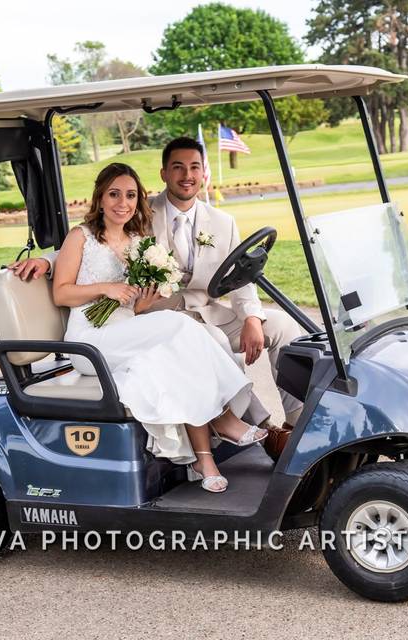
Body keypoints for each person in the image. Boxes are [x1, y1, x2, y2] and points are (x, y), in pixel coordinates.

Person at [12, 137, 306, 445]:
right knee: (211, 341)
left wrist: (251, 318)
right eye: (178, 167)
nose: (187, 175)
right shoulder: (140, 212)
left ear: (204, 172)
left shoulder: (222, 222)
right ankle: (263, 428)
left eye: (194, 167)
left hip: (208, 310)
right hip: (158, 312)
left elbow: (241, 274)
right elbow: (95, 244)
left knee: (283, 325)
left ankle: (299, 423)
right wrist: (47, 260)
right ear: (164, 173)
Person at [46, 162, 267, 493]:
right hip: (89, 340)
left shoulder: (137, 241)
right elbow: (61, 292)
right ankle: (224, 419)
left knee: (176, 358)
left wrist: (141, 305)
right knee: (179, 326)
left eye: (131, 195)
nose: (123, 203)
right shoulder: (82, 236)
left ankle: (203, 460)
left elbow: (130, 307)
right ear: (100, 198)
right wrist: (104, 288)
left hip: (125, 331)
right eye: (114, 194)